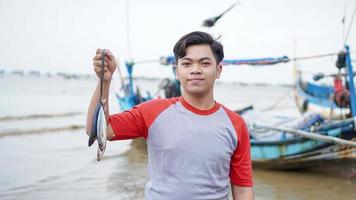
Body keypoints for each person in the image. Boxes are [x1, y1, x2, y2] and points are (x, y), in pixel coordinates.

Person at [86, 31, 254, 200]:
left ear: (218, 70)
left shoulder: (236, 124)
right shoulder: (152, 112)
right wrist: (104, 81)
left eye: (204, 63)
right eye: (187, 64)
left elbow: (243, 189)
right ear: (176, 71)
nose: (195, 70)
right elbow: (98, 130)